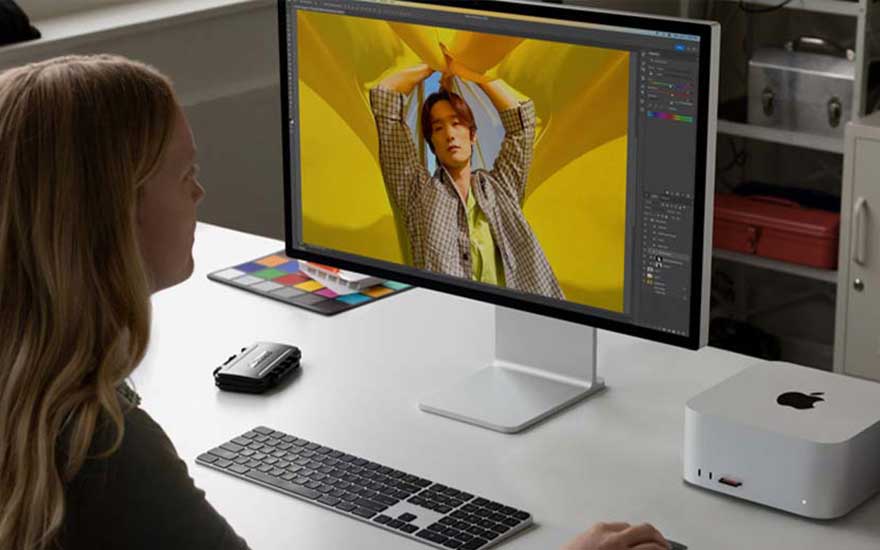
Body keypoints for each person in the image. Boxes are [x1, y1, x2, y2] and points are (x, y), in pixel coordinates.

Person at [0, 54, 671, 550]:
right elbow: (386, 103)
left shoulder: (38, 406)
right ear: (113, 215)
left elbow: (522, 123)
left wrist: (478, 76)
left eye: (460, 124)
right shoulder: (104, 450)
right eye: (186, 174)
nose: (200, 193)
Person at [370, 62, 564, 300]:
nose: (449, 134)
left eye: (456, 123)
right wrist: (433, 64)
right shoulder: (417, 193)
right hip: (451, 316)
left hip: (520, 314)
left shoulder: (503, 186)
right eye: (438, 128)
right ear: (432, 144)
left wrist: (472, 72)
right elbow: (386, 97)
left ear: (472, 135)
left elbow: (522, 123)